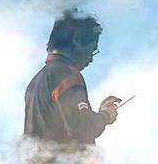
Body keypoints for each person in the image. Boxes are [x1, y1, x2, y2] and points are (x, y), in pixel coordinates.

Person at [24, 9, 121, 145]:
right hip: (63, 159)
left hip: (36, 158)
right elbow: (83, 127)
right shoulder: (67, 74)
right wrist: (106, 115)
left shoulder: (36, 81)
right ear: (77, 40)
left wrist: (97, 114)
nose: (91, 59)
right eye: (91, 50)